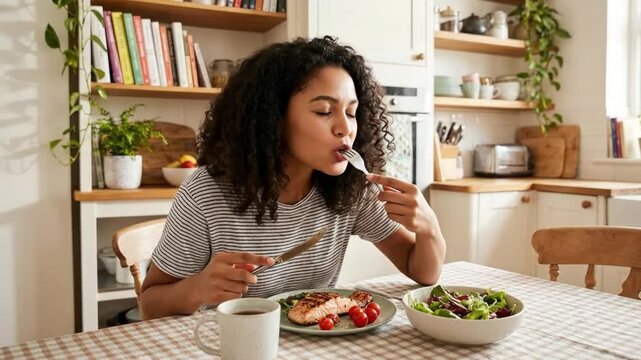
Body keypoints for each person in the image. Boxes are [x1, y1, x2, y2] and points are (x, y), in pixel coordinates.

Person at [140, 36, 446, 320]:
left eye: (351, 113)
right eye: (325, 111)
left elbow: (422, 272)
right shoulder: (207, 193)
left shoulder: (351, 189)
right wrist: (197, 288)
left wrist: (429, 228)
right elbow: (149, 305)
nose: (345, 128)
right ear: (274, 119)